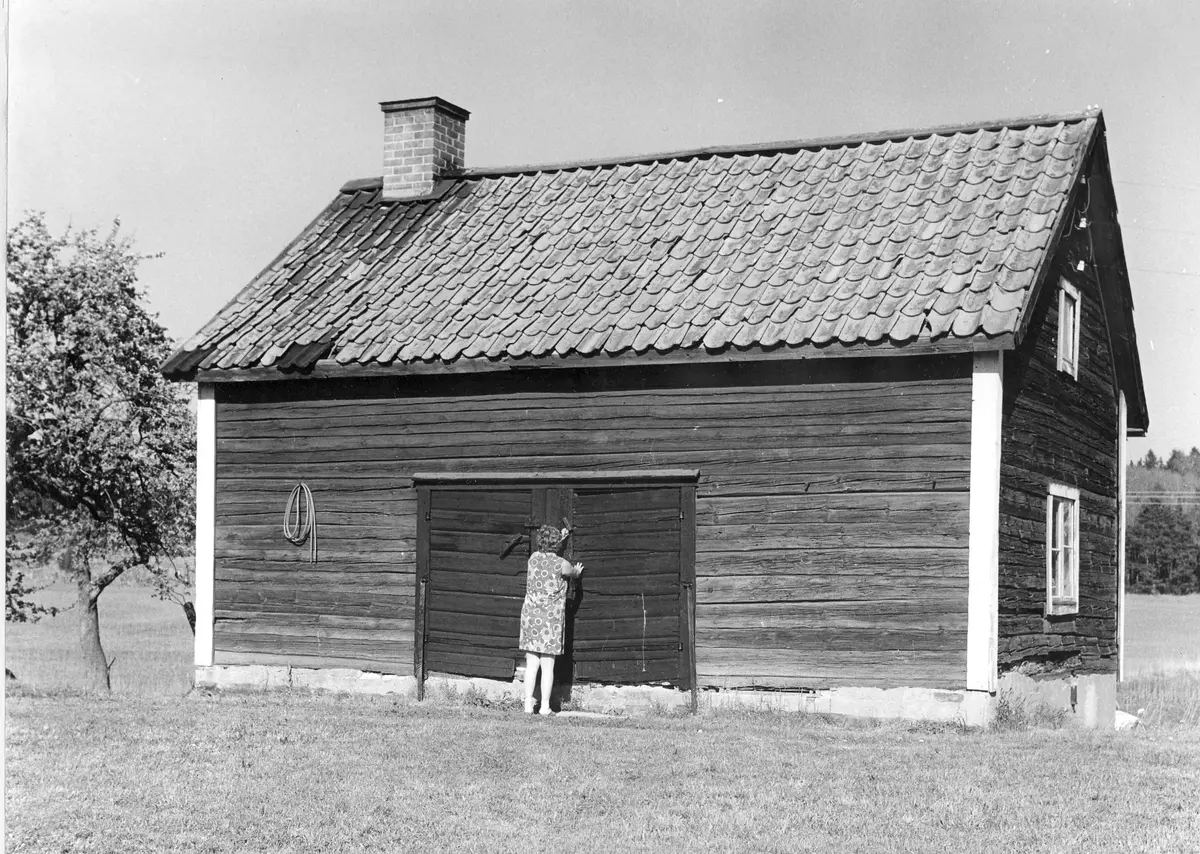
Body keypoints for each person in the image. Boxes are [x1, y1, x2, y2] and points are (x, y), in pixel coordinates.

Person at [519, 524, 583, 715]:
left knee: (532, 664)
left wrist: (560, 537)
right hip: (550, 620)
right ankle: (545, 706)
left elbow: (547, 551)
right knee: (548, 665)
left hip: (531, 617)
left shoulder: (533, 559)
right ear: (557, 544)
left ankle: (528, 704)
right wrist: (577, 573)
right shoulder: (561, 564)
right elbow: (572, 572)